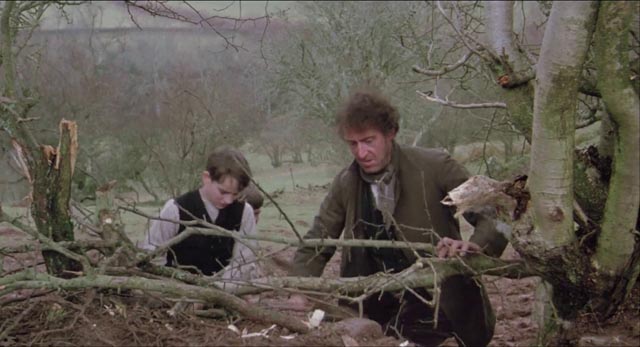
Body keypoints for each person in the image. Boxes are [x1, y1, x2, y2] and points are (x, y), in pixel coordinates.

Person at [288, 88, 508, 347]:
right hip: (370, 306)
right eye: (353, 144)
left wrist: (475, 246)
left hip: (437, 305)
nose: (361, 153)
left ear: (390, 133)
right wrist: (299, 288)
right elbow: (319, 238)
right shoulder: (346, 183)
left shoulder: (436, 166)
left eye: (369, 140)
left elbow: (493, 211)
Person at [139, 147, 262, 286]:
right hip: (177, 292)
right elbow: (152, 256)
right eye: (223, 192)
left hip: (226, 292)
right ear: (206, 178)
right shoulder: (174, 210)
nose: (228, 200)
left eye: (235, 194)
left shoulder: (245, 212)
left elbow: (244, 261)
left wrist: (219, 289)